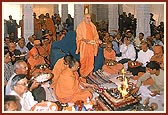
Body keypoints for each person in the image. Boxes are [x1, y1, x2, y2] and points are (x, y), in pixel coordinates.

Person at [75, 14, 102, 80]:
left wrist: (98, 40)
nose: (89, 19)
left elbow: (95, 35)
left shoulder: (92, 26)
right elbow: (79, 36)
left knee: (91, 60)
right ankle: (83, 75)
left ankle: (90, 73)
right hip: (84, 46)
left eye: (90, 18)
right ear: (84, 18)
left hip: (91, 45)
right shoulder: (80, 26)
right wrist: (85, 40)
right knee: (83, 60)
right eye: (87, 18)